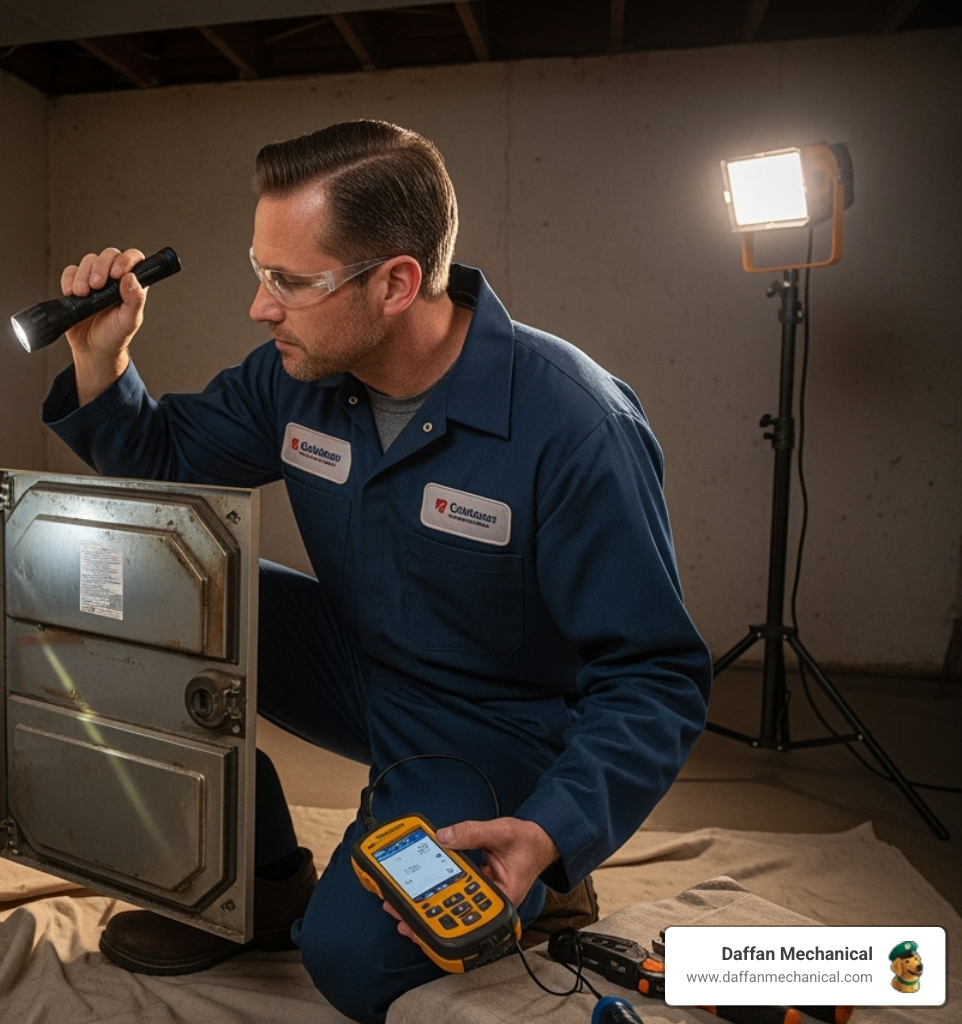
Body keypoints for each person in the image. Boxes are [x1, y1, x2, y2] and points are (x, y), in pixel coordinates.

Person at [41, 119, 711, 1024]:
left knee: (352, 959)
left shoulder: (574, 426)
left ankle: (545, 881)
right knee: (133, 578)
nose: (260, 306)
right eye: (258, 270)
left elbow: (655, 674)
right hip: (357, 661)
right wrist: (102, 355)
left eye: (289, 281)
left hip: (496, 722)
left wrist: (556, 829)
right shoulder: (300, 376)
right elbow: (164, 461)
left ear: (397, 282)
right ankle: (265, 877)